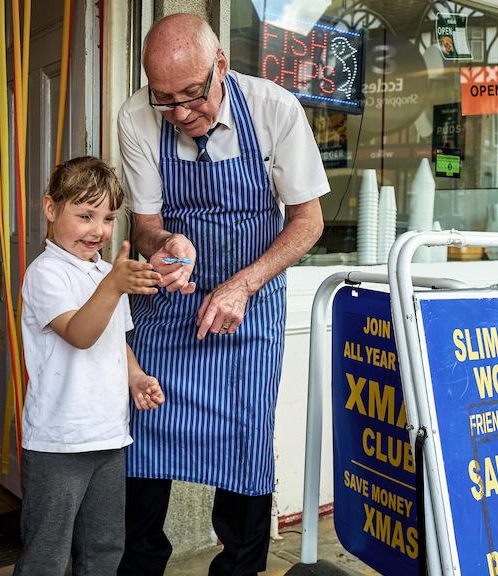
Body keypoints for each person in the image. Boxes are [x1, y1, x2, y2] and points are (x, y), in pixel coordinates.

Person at [116, 14, 328, 576]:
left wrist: (242, 284)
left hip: (249, 305)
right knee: (141, 440)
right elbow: (144, 226)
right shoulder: (136, 117)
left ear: (221, 68)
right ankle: (138, 566)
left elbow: (308, 222)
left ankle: (239, 569)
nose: (182, 114)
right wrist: (164, 244)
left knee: (245, 447)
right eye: (167, 101)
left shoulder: (275, 110)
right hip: (169, 303)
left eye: (193, 95)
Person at [16, 156, 166, 575]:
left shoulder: (105, 272)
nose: (98, 230)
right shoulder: (46, 273)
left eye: (108, 218)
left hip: (109, 436)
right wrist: (113, 285)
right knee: (47, 552)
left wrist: (135, 377)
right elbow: (80, 333)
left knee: (104, 547)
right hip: (59, 441)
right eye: (84, 215)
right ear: (50, 208)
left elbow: (116, 339)